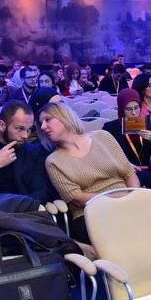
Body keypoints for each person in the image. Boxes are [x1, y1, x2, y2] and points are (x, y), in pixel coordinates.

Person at [39, 101, 140, 243]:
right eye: (41, 123)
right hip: (91, 212)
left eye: (47, 119)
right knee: (126, 228)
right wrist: (119, 197)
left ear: (64, 117)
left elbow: (129, 173)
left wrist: (134, 196)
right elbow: (78, 198)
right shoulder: (53, 161)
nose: (43, 127)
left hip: (127, 200)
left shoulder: (103, 137)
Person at [102, 88, 151, 188]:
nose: (134, 113)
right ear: (121, 109)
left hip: (150, 168)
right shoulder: (111, 128)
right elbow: (106, 155)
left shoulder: (149, 125)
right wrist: (125, 165)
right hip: (126, 171)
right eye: (129, 109)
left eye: (136, 108)